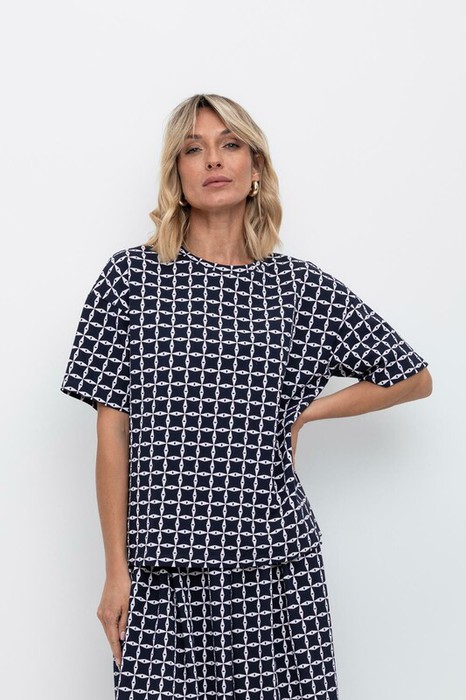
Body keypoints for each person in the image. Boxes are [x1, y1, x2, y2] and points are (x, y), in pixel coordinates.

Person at [60, 94, 432, 700]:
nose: (213, 160)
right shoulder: (129, 280)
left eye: (230, 144)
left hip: (277, 570)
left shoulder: (299, 289)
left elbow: (412, 376)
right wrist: (115, 572)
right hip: (162, 574)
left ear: (255, 166)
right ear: (177, 174)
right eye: (194, 149)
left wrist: (308, 411)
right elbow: (111, 432)